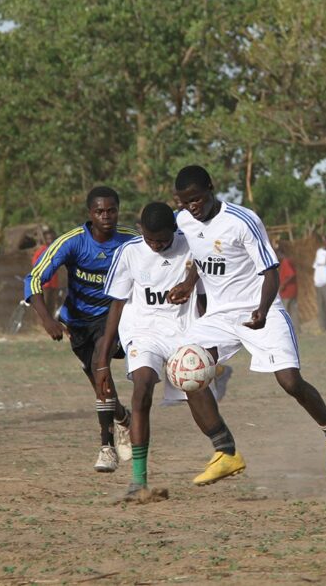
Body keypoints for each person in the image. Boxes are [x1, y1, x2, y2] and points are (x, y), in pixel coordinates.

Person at [170, 165, 326, 483]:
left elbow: (270, 271)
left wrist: (263, 310)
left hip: (260, 309)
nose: (193, 207)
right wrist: (188, 283)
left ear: (211, 188)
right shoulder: (183, 220)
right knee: (187, 374)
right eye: (186, 202)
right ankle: (225, 452)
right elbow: (199, 258)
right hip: (218, 317)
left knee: (290, 382)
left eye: (197, 199)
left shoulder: (242, 220)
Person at [92, 203, 210, 500]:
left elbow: (207, 273)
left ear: (174, 231)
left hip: (183, 333)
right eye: (151, 240)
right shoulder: (130, 252)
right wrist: (103, 360)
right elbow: (117, 305)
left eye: (163, 240)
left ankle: (224, 448)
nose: (157, 246)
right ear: (141, 230)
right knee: (142, 388)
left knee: (199, 390)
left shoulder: (191, 245)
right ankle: (138, 480)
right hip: (143, 334)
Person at [24, 186, 136, 472]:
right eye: (100, 211)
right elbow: (34, 279)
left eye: (111, 210)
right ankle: (123, 417)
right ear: (90, 214)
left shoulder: (131, 241)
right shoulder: (72, 242)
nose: (106, 216)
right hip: (77, 323)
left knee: (102, 368)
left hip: (113, 319)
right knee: (101, 387)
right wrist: (46, 319)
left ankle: (106, 448)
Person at [30, 227, 60, 318]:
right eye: (48, 239)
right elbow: (35, 264)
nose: (50, 240)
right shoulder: (41, 251)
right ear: (45, 240)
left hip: (54, 283)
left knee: (52, 306)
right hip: (44, 283)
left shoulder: (56, 249)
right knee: (44, 305)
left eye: (51, 238)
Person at [312, 235, 326, 332]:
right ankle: (322, 327)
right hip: (318, 281)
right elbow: (315, 266)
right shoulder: (319, 252)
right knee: (320, 306)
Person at [277, 242, 299, 327]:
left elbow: (291, 274)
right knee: (294, 310)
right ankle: (296, 328)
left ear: (280, 254)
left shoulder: (285, 262)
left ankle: (287, 328)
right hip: (292, 290)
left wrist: (283, 285)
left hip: (287, 291)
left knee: (286, 310)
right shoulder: (286, 261)